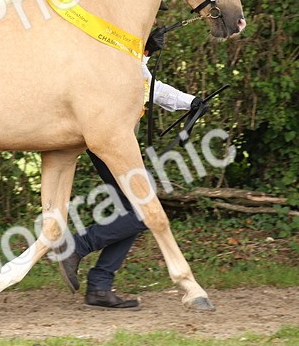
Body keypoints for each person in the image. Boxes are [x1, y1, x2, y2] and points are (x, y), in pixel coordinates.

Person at [57, 25, 203, 309]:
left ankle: (99, 284)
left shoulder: (128, 57)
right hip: (112, 145)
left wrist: (191, 102)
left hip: (117, 144)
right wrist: (144, 52)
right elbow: (138, 81)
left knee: (137, 212)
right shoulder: (117, 56)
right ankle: (78, 248)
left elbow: (150, 86)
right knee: (143, 211)